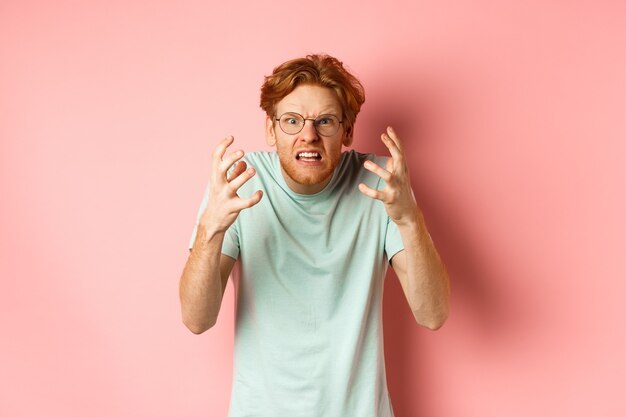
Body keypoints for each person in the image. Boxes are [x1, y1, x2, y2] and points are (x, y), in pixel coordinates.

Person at [179, 54, 450, 417]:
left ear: (348, 131)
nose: (308, 135)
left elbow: (432, 314)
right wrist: (210, 229)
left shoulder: (382, 183)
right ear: (271, 129)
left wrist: (410, 222)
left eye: (325, 121)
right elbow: (197, 319)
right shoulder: (240, 182)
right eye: (292, 120)